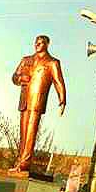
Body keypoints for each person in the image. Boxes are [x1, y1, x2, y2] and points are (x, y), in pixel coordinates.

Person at [10, 35, 66, 172]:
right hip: (24, 100)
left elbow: (58, 82)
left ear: (47, 44)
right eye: (36, 43)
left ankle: (25, 162)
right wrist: (20, 78)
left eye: (41, 43)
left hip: (37, 102)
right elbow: (14, 77)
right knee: (23, 133)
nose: (37, 45)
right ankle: (20, 161)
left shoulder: (52, 63)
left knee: (31, 132)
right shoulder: (26, 60)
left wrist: (62, 99)